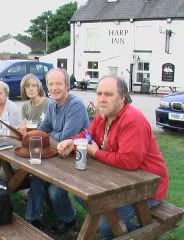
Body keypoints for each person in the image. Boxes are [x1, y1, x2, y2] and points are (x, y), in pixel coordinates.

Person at [57, 75, 169, 239]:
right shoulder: (103, 115)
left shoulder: (132, 120)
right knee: (83, 195)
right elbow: (88, 134)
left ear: (122, 98)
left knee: (106, 224)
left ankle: (146, 234)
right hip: (120, 181)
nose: (102, 99)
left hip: (146, 188)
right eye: (99, 93)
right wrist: (71, 141)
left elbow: (128, 161)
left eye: (108, 94)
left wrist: (94, 152)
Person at [25, 68, 89, 234]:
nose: (54, 87)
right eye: (50, 84)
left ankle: (69, 219)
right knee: (37, 178)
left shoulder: (75, 105)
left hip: (77, 159)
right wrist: (44, 134)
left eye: (58, 83)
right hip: (57, 155)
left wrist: (50, 134)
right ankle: (33, 219)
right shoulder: (53, 105)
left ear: (67, 86)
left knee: (54, 190)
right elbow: (42, 129)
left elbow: (65, 137)